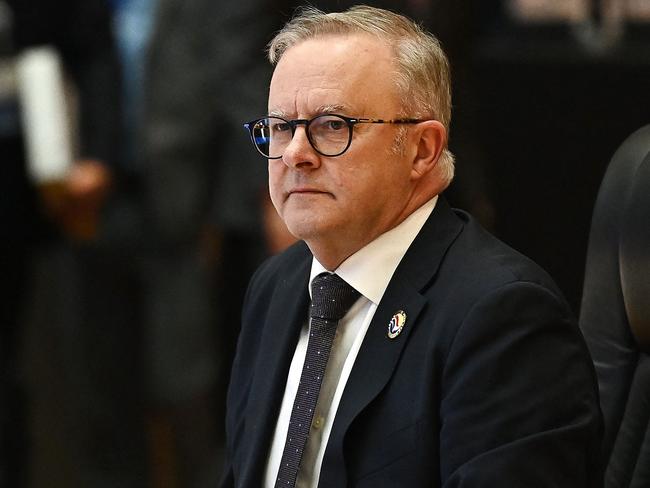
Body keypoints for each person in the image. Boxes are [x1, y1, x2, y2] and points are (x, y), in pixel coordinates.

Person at [221, 5, 603, 488]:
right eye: (280, 126)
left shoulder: (502, 314)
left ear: (422, 149)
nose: (296, 153)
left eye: (332, 125)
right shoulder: (276, 285)